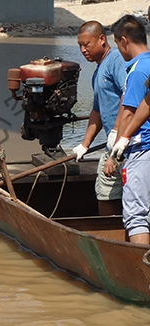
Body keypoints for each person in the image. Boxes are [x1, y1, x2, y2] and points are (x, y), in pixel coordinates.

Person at [104, 14, 150, 244]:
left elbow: (129, 112)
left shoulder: (138, 70)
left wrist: (118, 146)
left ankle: (143, 276)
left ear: (124, 41)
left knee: (137, 216)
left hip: (143, 150)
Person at [72, 20, 126, 216]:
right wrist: (84, 145)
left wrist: (115, 139)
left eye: (86, 44)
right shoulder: (97, 72)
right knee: (104, 192)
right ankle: (110, 233)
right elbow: (97, 111)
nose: (83, 50)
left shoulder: (116, 61)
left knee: (135, 196)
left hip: (125, 143)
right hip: (112, 146)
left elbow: (127, 98)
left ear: (102, 39)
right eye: (80, 46)